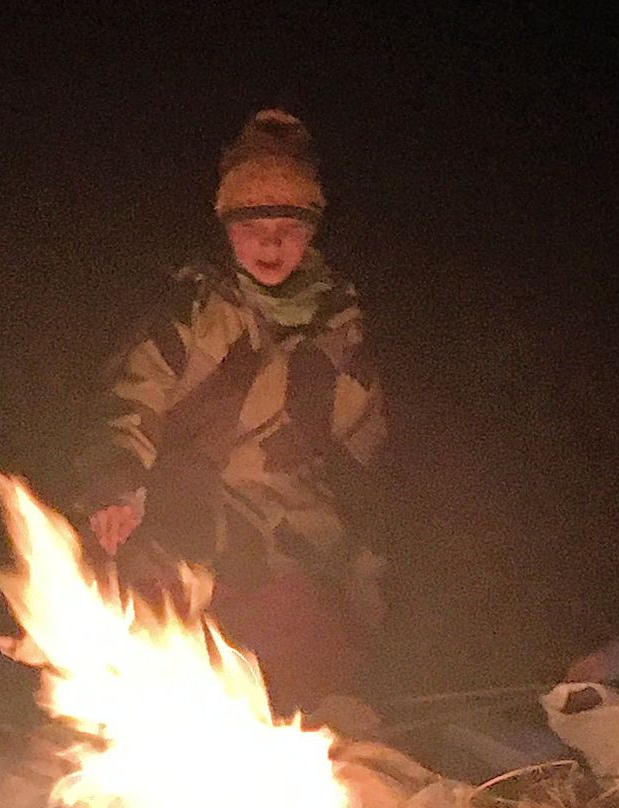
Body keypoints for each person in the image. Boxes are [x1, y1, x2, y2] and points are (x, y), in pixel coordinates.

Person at [77, 110, 387, 711]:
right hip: (184, 519)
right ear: (227, 227)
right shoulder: (193, 313)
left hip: (289, 534)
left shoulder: (340, 328)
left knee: (311, 666)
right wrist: (118, 482)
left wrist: (381, 538)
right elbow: (132, 400)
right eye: (253, 224)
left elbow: (367, 448)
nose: (271, 242)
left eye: (289, 226)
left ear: (312, 232)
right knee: (156, 642)